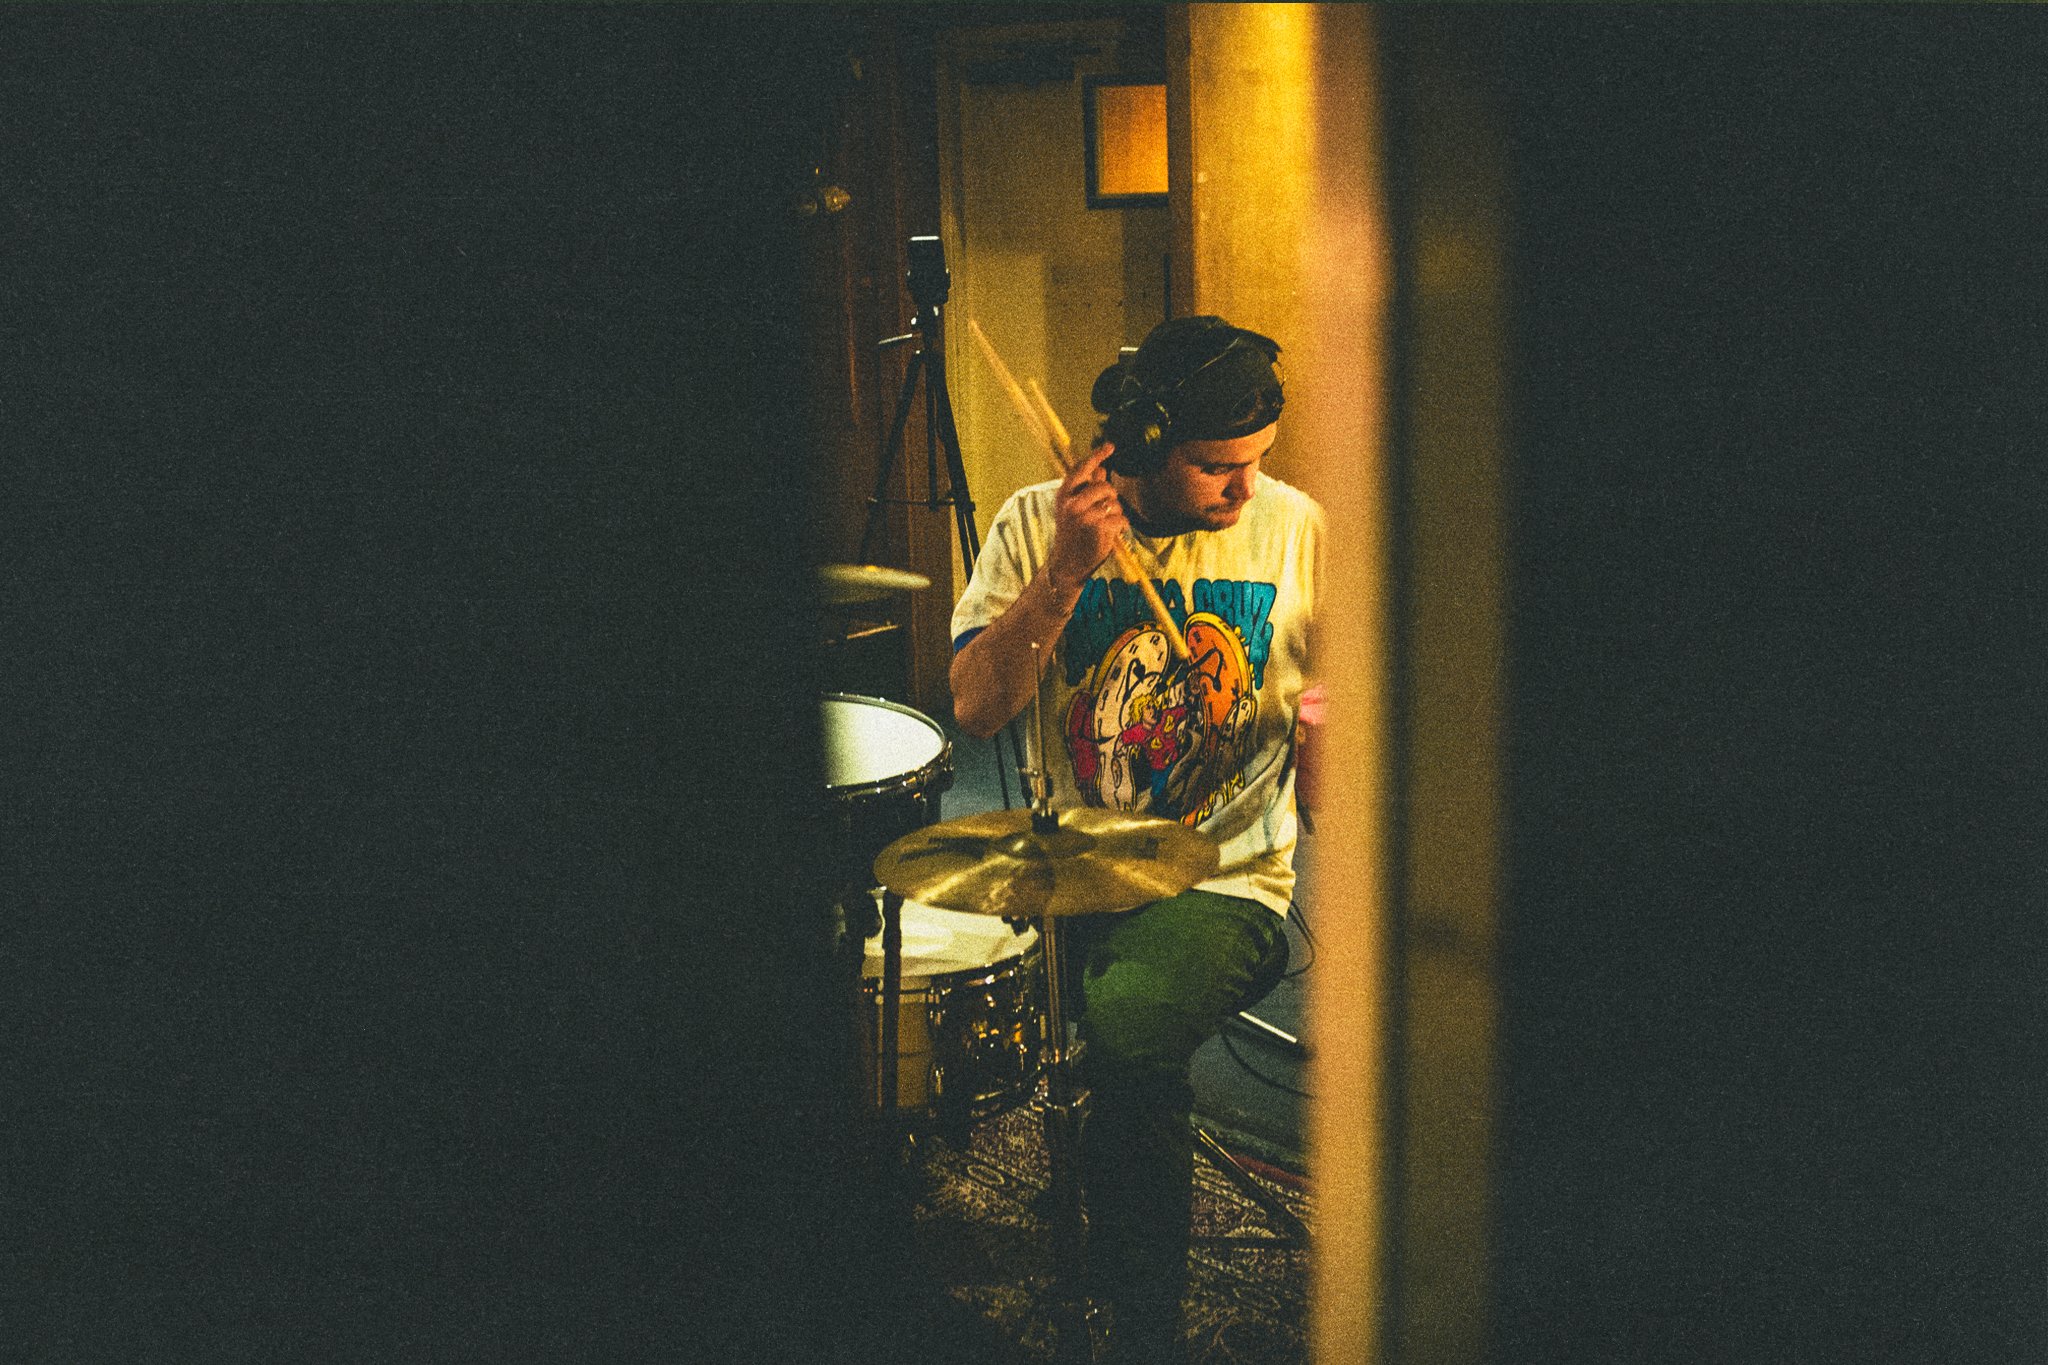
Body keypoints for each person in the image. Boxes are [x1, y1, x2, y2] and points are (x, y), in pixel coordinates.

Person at [950, 315, 1321, 1359]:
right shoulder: (1036, 524)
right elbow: (974, 707)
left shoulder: (1295, 528)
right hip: (1078, 867)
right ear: (1148, 446)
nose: (1246, 488)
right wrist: (1064, 576)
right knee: (1095, 1055)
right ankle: (1115, 1181)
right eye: (1217, 467)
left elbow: (1351, 709)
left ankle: (1145, 1324)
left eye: (1257, 461)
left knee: (1124, 1034)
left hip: (1229, 878)